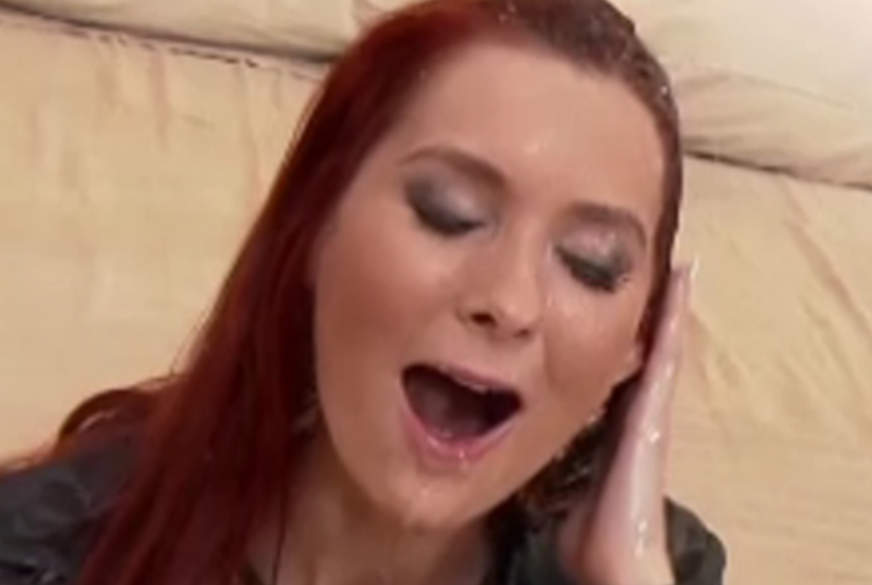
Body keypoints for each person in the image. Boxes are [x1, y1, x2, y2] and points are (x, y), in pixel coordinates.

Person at [0, 1, 726, 584]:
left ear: (639, 343)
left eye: (591, 265)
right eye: (449, 212)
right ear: (314, 222)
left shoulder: (650, 564)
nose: (510, 302)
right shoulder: (43, 553)